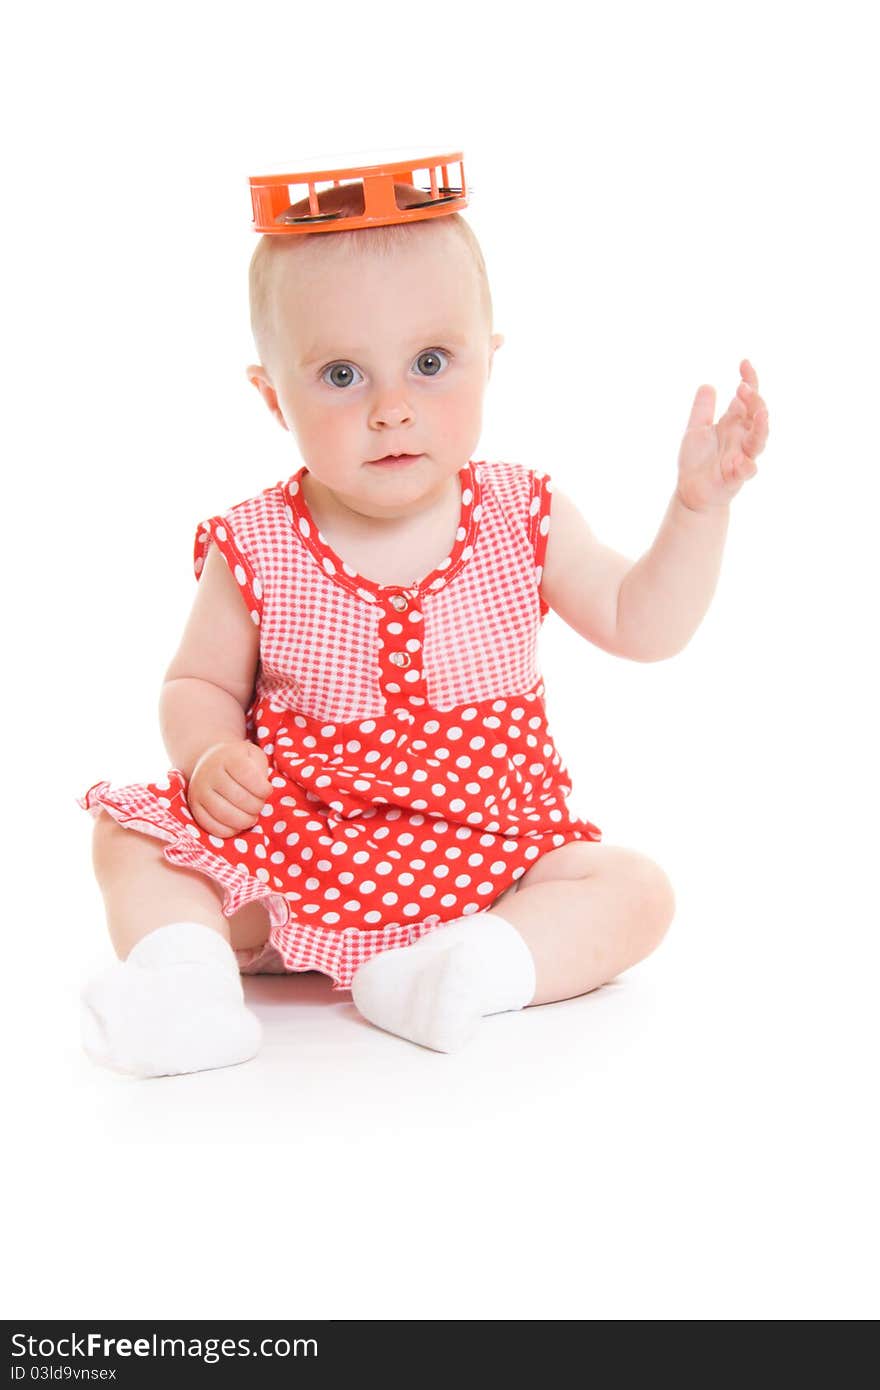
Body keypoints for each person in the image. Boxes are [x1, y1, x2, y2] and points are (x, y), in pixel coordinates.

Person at [78, 180, 769, 1077]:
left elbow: (644, 623)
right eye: (341, 375)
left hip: (485, 862)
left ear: (490, 357)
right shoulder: (256, 542)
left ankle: (460, 972)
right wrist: (209, 756)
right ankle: (187, 983)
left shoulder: (526, 514)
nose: (391, 408)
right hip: (298, 849)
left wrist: (696, 510)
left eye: (432, 362)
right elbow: (197, 683)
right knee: (130, 836)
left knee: (634, 893)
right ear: (272, 396)